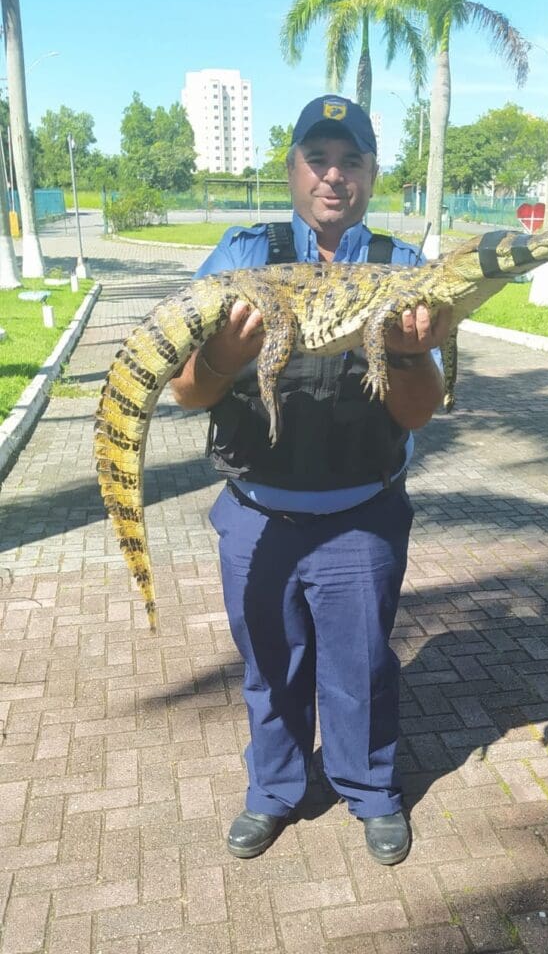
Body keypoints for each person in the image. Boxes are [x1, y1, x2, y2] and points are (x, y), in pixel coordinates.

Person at [171, 95, 451, 865]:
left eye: (350, 160)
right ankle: (274, 791)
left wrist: (405, 351)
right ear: (292, 169)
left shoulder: (401, 269)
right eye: (317, 159)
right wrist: (223, 358)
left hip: (361, 516)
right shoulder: (241, 255)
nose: (333, 176)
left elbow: (419, 411)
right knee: (270, 666)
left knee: (359, 668)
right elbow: (186, 390)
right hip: (255, 515)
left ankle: (371, 790)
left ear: (371, 174)